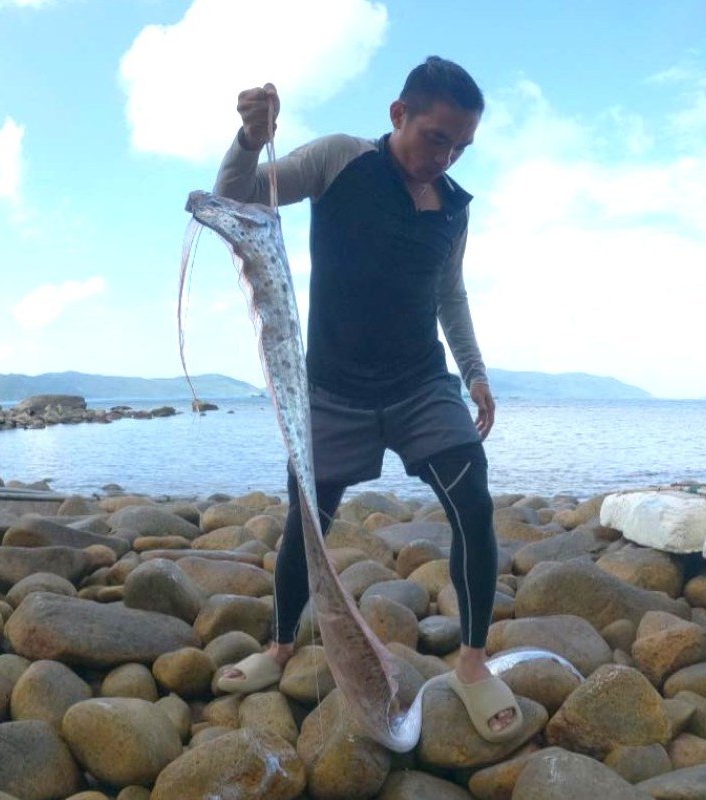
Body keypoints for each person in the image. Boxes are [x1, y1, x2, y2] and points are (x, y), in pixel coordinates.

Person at [210, 56, 524, 743]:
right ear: (398, 114)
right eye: (436, 138)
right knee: (308, 525)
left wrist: (474, 372)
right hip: (332, 392)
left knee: (473, 502)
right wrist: (247, 139)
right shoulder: (339, 162)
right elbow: (234, 197)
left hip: (420, 387)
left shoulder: (453, 207)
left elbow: (450, 294)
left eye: (461, 146)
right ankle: (279, 648)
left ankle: (472, 664)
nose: (445, 157)